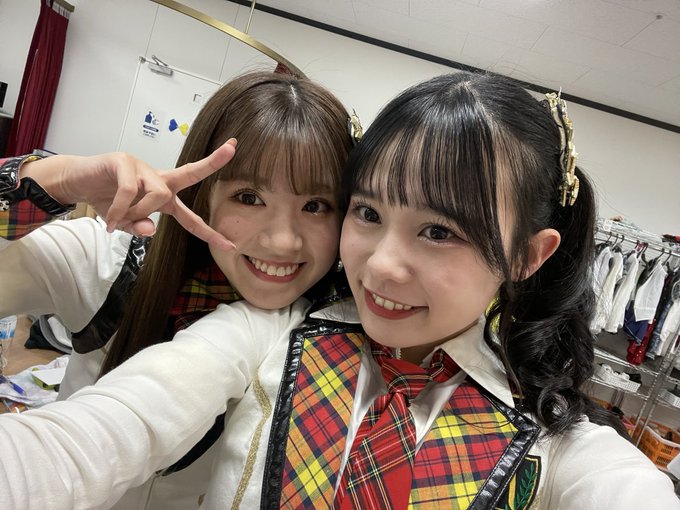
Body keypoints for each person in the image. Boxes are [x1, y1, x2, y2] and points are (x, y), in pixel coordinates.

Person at [1, 71, 678, 510]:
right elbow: (85, 441)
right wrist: (45, 180)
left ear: (528, 255)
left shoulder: (549, 436)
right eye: (369, 213)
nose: (380, 266)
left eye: (439, 231)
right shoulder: (267, 331)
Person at [0, 70, 352, 509]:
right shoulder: (110, 264)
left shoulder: (326, 344)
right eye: (249, 197)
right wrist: (54, 179)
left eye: (315, 206)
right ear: (204, 195)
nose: (283, 242)